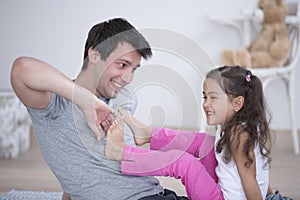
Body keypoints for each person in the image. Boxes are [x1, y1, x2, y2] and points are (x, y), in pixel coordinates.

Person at [10, 18, 188, 200]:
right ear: (94, 55)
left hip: (159, 193)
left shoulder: (125, 98)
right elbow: (22, 68)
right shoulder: (54, 105)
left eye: (134, 69)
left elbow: (86, 169)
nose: (128, 78)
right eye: (123, 65)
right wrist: (85, 100)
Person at [105, 65, 274, 200]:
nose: (206, 104)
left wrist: (267, 194)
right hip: (220, 190)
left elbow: (250, 179)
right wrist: (270, 191)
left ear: (237, 104)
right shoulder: (231, 124)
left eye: (213, 98)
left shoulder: (240, 134)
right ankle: (146, 134)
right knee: (207, 143)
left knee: (184, 162)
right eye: (204, 97)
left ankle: (124, 154)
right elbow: (255, 171)